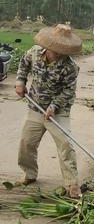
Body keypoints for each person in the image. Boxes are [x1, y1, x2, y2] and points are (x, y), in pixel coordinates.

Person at [14, 24, 82, 198]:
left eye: (63, 49)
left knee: (66, 145)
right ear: (49, 44)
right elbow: (24, 64)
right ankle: (29, 174)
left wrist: (54, 106)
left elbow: (68, 91)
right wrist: (20, 82)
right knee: (26, 143)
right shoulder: (34, 52)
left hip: (58, 112)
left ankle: (71, 183)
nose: (59, 52)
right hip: (35, 106)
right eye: (56, 48)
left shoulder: (70, 67)